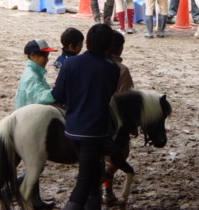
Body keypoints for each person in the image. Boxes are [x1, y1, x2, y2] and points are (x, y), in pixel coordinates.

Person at [51, 24, 120, 210]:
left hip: (72, 128)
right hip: (95, 132)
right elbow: (107, 95)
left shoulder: (70, 63)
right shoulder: (112, 69)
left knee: (93, 176)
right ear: (108, 45)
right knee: (84, 182)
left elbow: (57, 95)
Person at [14, 38, 58, 210]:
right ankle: (12, 187)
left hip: (26, 121)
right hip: (28, 126)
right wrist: (58, 92)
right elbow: (41, 97)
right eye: (43, 55)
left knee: (34, 163)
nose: (46, 59)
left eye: (47, 55)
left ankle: (36, 200)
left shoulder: (34, 73)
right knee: (35, 166)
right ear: (32, 55)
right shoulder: (31, 77)